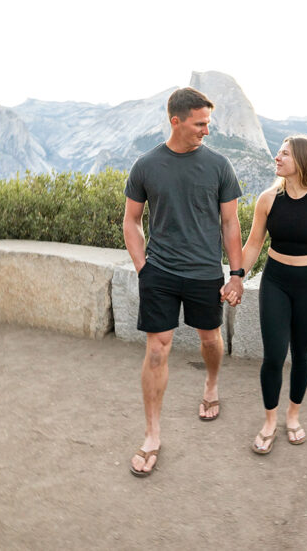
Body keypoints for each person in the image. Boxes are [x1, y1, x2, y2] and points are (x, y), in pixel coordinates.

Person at [123, 87, 245, 477]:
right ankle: (152, 434)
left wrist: (237, 274)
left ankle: (210, 385)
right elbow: (131, 221)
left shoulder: (220, 166)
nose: (207, 130)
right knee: (157, 350)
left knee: (210, 339)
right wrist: (144, 268)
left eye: (208, 122)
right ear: (175, 121)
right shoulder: (145, 165)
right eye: (200, 123)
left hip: (205, 272)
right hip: (159, 272)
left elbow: (230, 224)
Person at [229, 134, 307, 455]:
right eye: (278, 153)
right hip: (276, 282)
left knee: (302, 354)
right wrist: (237, 277)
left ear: (303, 161)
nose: (277, 158)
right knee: (273, 355)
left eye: (284, 154)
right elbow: (254, 244)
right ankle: (270, 421)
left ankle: (292, 416)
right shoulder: (268, 200)